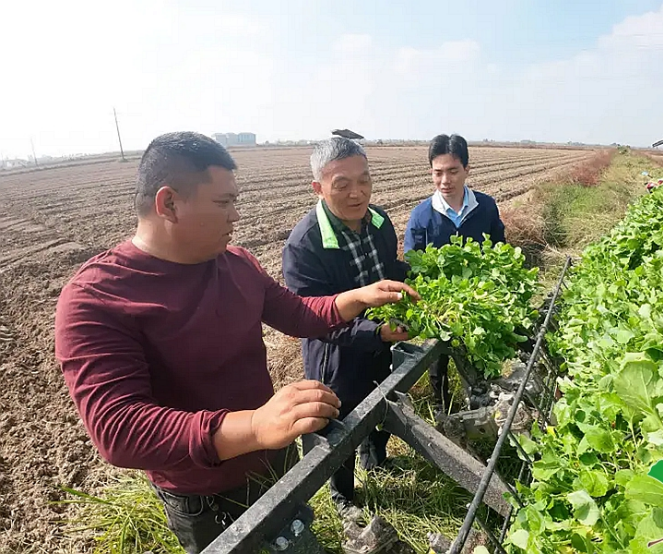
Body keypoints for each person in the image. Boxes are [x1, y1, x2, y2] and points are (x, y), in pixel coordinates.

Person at [53, 131, 417, 554]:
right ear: (168, 203)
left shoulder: (237, 264)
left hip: (276, 459)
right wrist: (256, 425)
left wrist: (355, 298)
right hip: (206, 494)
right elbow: (119, 430)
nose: (236, 216)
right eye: (224, 203)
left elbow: (296, 314)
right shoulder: (98, 298)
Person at [282, 137, 410, 517]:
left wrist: (421, 279)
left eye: (365, 180)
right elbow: (313, 318)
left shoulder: (380, 221)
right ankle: (342, 496)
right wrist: (375, 333)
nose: (357, 193)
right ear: (318, 188)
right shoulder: (304, 245)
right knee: (336, 425)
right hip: (334, 356)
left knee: (383, 397)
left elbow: (389, 268)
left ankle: (378, 460)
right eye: (342, 184)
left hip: (381, 340)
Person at [403, 133, 505, 414]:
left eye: (452, 171)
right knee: (438, 361)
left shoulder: (485, 207)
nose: (445, 180)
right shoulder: (421, 216)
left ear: (467, 170)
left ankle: (481, 405)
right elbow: (413, 265)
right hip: (439, 308)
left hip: (478, 303)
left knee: (477, 356)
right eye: (438, 173)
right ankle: (442, 407)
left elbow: (500, 252)